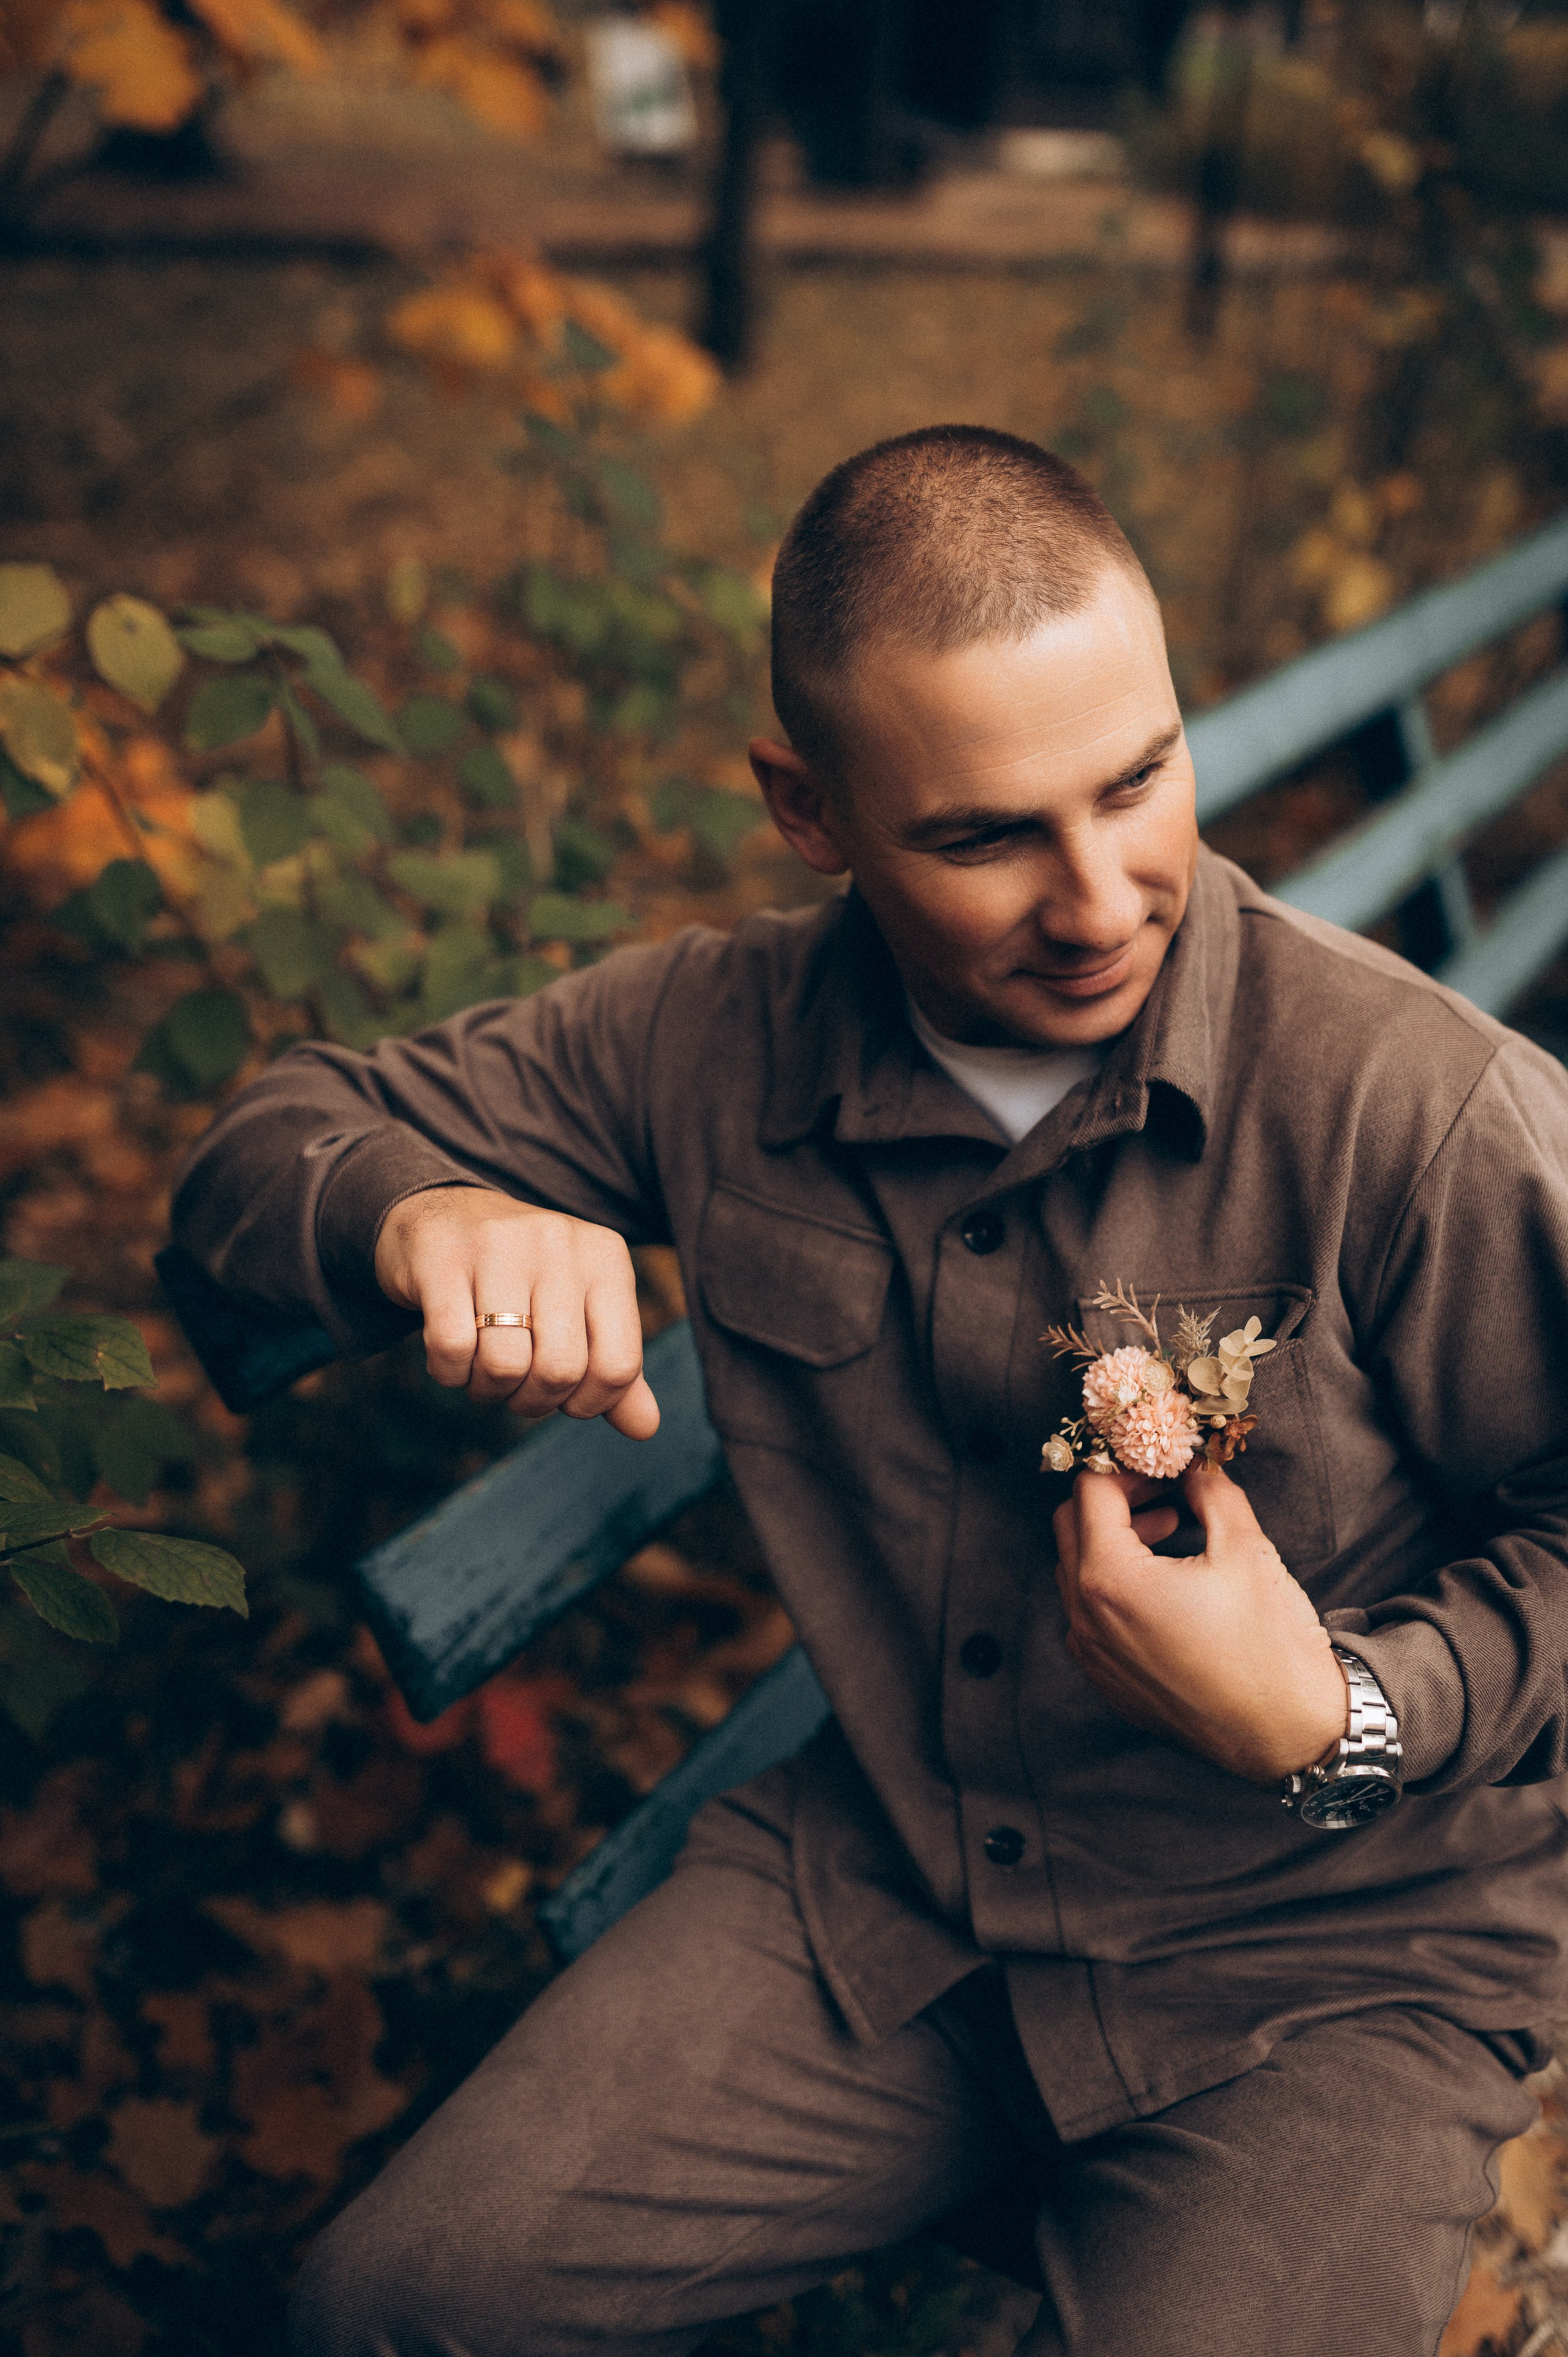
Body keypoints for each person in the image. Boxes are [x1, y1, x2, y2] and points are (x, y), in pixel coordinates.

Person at [170, 426, 1568, 2357]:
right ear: (807, 807)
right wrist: (419, 1216)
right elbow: (271, 1145)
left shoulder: (1414, 1105)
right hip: (894, 1897)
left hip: (1340, 1960)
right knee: (390, 2309)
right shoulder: (701, 1040)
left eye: (1141, 780)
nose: (1100, 899)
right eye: (984, 836)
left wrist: (1334, 1710)